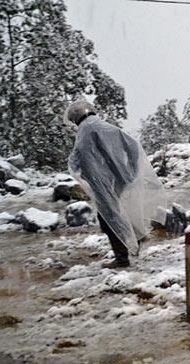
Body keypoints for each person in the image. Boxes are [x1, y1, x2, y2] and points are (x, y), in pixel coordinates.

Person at [65, 100, 167, 268]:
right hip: (120, 180)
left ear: (76, 117)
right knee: (123, 210)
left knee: (108, 218)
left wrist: (89, 176)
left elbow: (79, 159)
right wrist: (131, 171)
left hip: (103, 183)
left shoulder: (85, 130)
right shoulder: (104, 125)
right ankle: (136, 237)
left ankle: (122, 258)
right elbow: (133, 145)